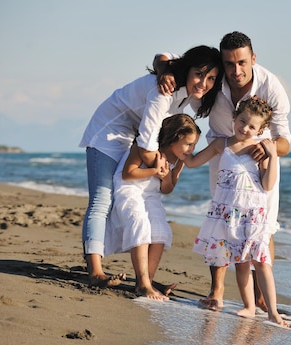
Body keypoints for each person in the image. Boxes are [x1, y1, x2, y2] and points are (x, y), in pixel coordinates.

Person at [155, 31, 291, 310]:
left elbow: (285, 141)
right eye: (229, 64)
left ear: (253, 59)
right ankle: (216, 292)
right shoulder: (213, 77)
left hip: (259, 164)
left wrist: (267, 146)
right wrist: (162, 73)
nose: (235, 70)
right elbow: (165, 59)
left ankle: (260, 297)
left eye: (242, 62)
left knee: (262, 229)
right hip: (222, 155)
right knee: (221, 225)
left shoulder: (271, 86)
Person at [79, 45, 223, 288]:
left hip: (133, 134)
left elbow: (162, 56)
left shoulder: (189, 92)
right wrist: (164, 166)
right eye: (199, 74)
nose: (203, 83)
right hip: (109, 132)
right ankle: (95, 272)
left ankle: (144, 280)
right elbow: (146, 149)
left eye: (211, 78)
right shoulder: (163, 94)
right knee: (102, 200)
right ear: (188, 70)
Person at [184, 97, 289, 327]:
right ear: (234, 117)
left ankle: (273, 312)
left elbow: (268, 184)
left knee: (261, 262)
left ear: (260, 130)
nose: (245, 128)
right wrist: (180, 148)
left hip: (253, 214)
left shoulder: (258, 149)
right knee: (240, 263)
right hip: (229, 214)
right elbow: (192, 162)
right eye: (242, 121)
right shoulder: (221, 145)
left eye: (252, 126)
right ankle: (249, 307)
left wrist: (271, 156)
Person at [105, 114, 201, 300]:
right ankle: (143, 283)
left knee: (160, 230)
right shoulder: (147, 147)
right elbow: (127, 173)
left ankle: (147, 280)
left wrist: (165, 177)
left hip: (151, 195)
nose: (192, 149)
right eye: (188, 144)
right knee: (140, 223)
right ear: (174, 137)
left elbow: (168, 188)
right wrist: (154, 171)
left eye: (195, 145)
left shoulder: (179, 159)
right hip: (130, 189)